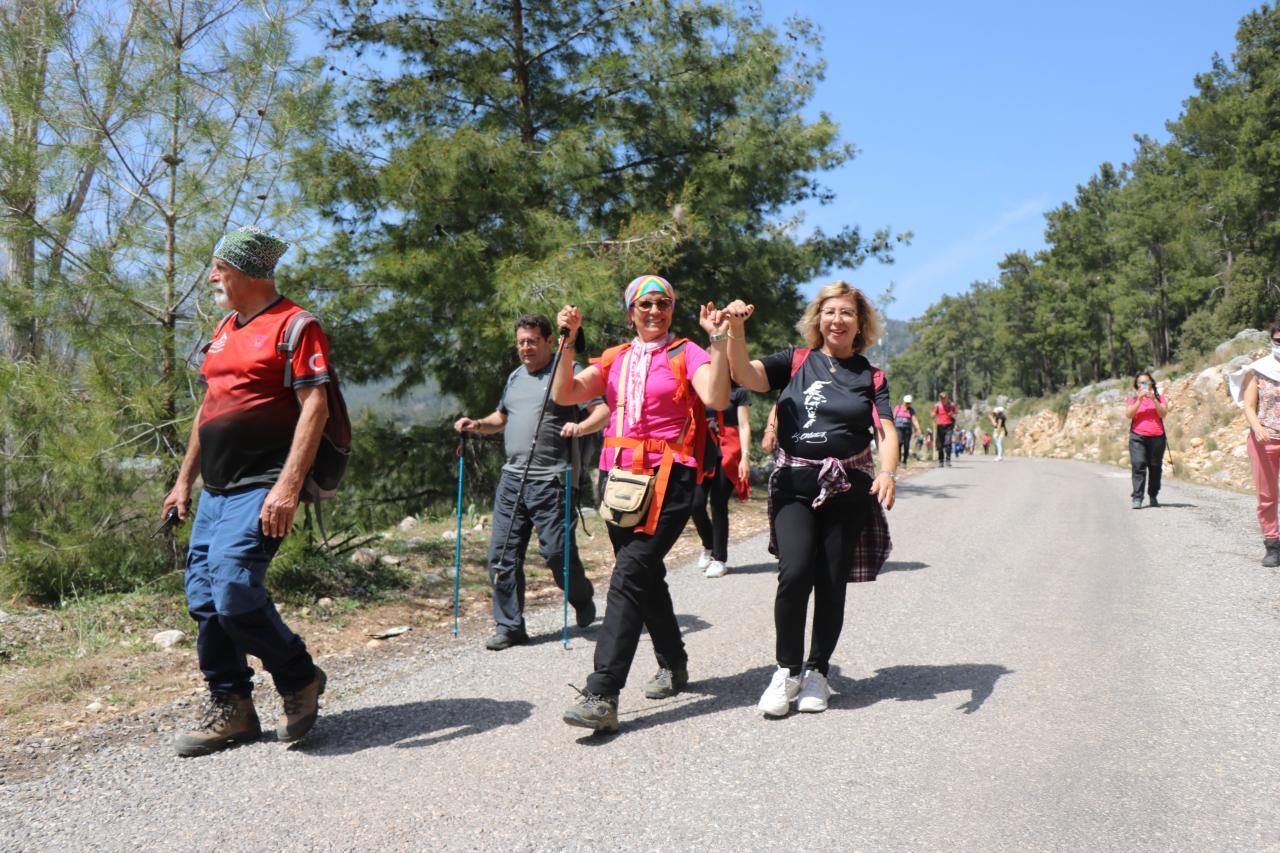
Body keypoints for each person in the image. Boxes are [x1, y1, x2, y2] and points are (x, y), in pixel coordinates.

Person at [161, 226, 329, 757]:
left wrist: (288, 486)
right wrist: (183, 479)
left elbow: (316, 408)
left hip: (261, 484)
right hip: (215, 488)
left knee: (233, 589)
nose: (213, 277)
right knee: (206, 600)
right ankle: (231, 705)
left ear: (249, 273)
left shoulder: (297, 326)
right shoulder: (225, 327)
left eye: (220, 268)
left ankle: (298, 676)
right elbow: (209, 409)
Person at [552, 275, 730, 732]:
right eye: (645, 304)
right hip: (620, 481)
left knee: (629, 574)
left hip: (670, 479)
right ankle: (674, 663)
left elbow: (715, 396)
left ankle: (602, 692)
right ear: (630, 310)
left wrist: (719, 342)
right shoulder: (616, 358)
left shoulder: (686, 352)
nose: (655, 311)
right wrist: (566, 343)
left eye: (663, 304)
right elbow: (565, 393)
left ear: (672, 309)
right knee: (645, 575)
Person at [723, 282, 897, 717]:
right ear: (818, 319)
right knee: (796, 571)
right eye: (830, 312)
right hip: (793, 485)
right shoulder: (796, 361)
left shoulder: (870, 375)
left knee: (831, 578)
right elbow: (746, 376)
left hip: (848, 487)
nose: (837, 320)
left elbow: (887, 430)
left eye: (847, 314)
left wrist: (889, 471)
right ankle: (787, 671)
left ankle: (818, 671)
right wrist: (736, 332)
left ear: (860, 325)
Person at [454, 314, 610, 650]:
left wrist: (580, 428)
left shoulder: (566, 371)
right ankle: (510, 626)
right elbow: (502, 418)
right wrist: (477, 424)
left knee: (556, 554)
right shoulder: (514, 377)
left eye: (532, 341)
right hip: (513, 480)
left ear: (549, 341)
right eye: (521, 341)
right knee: (502, 556)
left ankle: (581, 597)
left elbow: (602, 412)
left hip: (552, 480)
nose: (525, 348)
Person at [692, 383, 752, 578]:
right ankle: (708, 545)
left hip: (729, 451)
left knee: (718, 504)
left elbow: (743, 425)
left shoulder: (738, 392)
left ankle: (719, 560)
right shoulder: (702, 389)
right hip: (703, 452)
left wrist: (745, 456)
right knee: (695, 503)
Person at [1236, 320, 1280, 565]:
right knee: (1268, 495)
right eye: (1277, 341)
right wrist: (1258, 427)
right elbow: (1249, 406)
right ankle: (1272, 544)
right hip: (1265, 441)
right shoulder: (1259, 370)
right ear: (1271, 341)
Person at [1126, 371, 1169, 509]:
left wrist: (1154, 400)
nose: (1144, 385)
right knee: (1138, 465)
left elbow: (1163, 414)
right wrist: (1139, 400)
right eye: (1141, 382)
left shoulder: (1160, 398)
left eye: (1146, 382)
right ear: (1136, 385)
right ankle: (1137, 498)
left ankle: (1153, 495)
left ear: (1151, 383)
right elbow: (1129, 415)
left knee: (1155, 467)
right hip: (1138, 436)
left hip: (1157, 436)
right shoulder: (1133, 400)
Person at [892, 394, 922, 467]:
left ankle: (904, 461)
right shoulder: (898, 408)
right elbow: (893, 417)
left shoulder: (911, 410)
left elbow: (914, 420)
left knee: (906, 445)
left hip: (907, 429)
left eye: (909, 403)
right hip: (899, 428)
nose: (908, 404)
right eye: (907, 403)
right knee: (899, 443)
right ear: (904, 402)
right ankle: (898, 460)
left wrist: (918, 429)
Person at [933, 392, 957, 467]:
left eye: (944, 398)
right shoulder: (937, 405)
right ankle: (941, 461)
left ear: (947, 398)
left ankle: (948, 459)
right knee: (940, 445)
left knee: (948, 443)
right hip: (940, 426)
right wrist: (933, 415)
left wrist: (952, 414)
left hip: (949, 426)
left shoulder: (951, 405)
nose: (942, 399)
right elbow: (933, 414)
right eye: (941, 398)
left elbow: (955, 415)